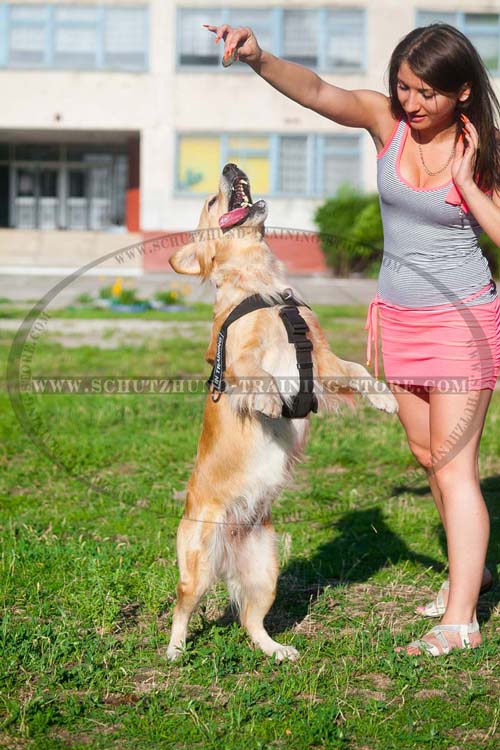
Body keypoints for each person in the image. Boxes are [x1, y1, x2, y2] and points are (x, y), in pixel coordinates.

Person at [203, 21, 500, 656]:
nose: (411, 104)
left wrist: (471, 186)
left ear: (464, 93)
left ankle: (461, 620)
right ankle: (469, 578)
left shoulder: (483, 150)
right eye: (403, 88)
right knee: (427, 458)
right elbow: (314, 90)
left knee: (454, 468)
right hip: (398, 318)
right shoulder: (388, 124)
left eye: (426, 93)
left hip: (463, 323)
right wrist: (258, 57)